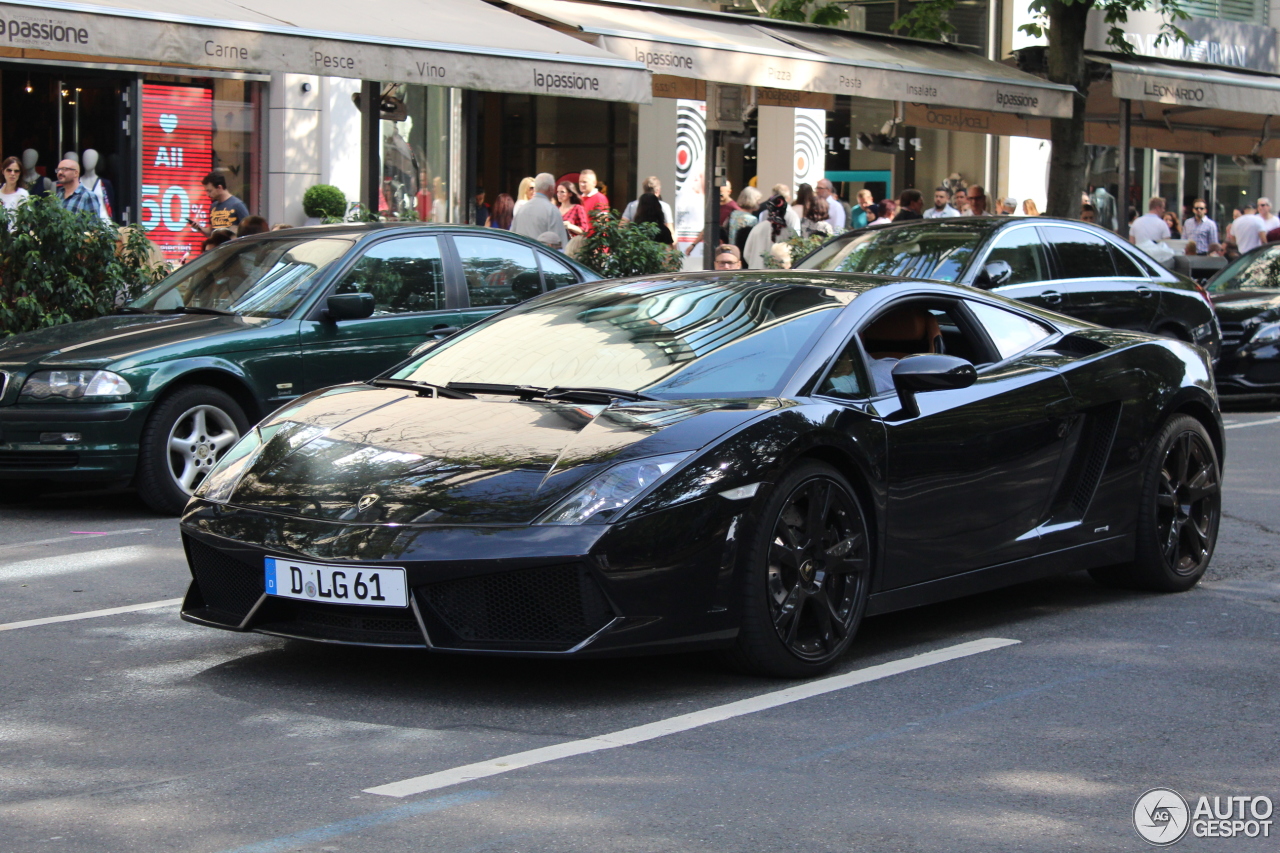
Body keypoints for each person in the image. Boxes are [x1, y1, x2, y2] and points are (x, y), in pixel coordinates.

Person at [512, 173, 569, 248]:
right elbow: (560, 242)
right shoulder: (552, 210)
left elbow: (512, 236)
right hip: (542, 257)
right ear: (551, 188)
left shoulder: (521, 209)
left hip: (521, 256)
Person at [744, 195, 797, 269]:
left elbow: (746, 254)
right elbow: (796, 254)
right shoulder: (790, 231)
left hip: (757, 273)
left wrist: (756, 263)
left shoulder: (757, 229)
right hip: (780, 274)